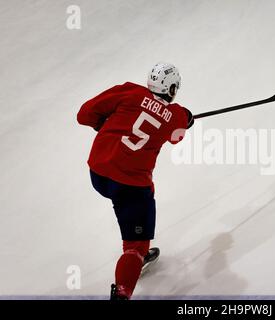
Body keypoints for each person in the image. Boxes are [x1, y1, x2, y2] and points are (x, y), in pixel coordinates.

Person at [77, 62, 194, 300]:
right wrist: (187, 118)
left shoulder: (129, 91)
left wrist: (110, 125)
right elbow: (177, 136)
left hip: (98, 173)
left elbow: (84, 115)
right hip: (129, 185)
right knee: (135, 245)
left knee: (136, 200)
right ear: (171, 89)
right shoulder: (175, 116)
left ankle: (133, 260)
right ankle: (128, 277)